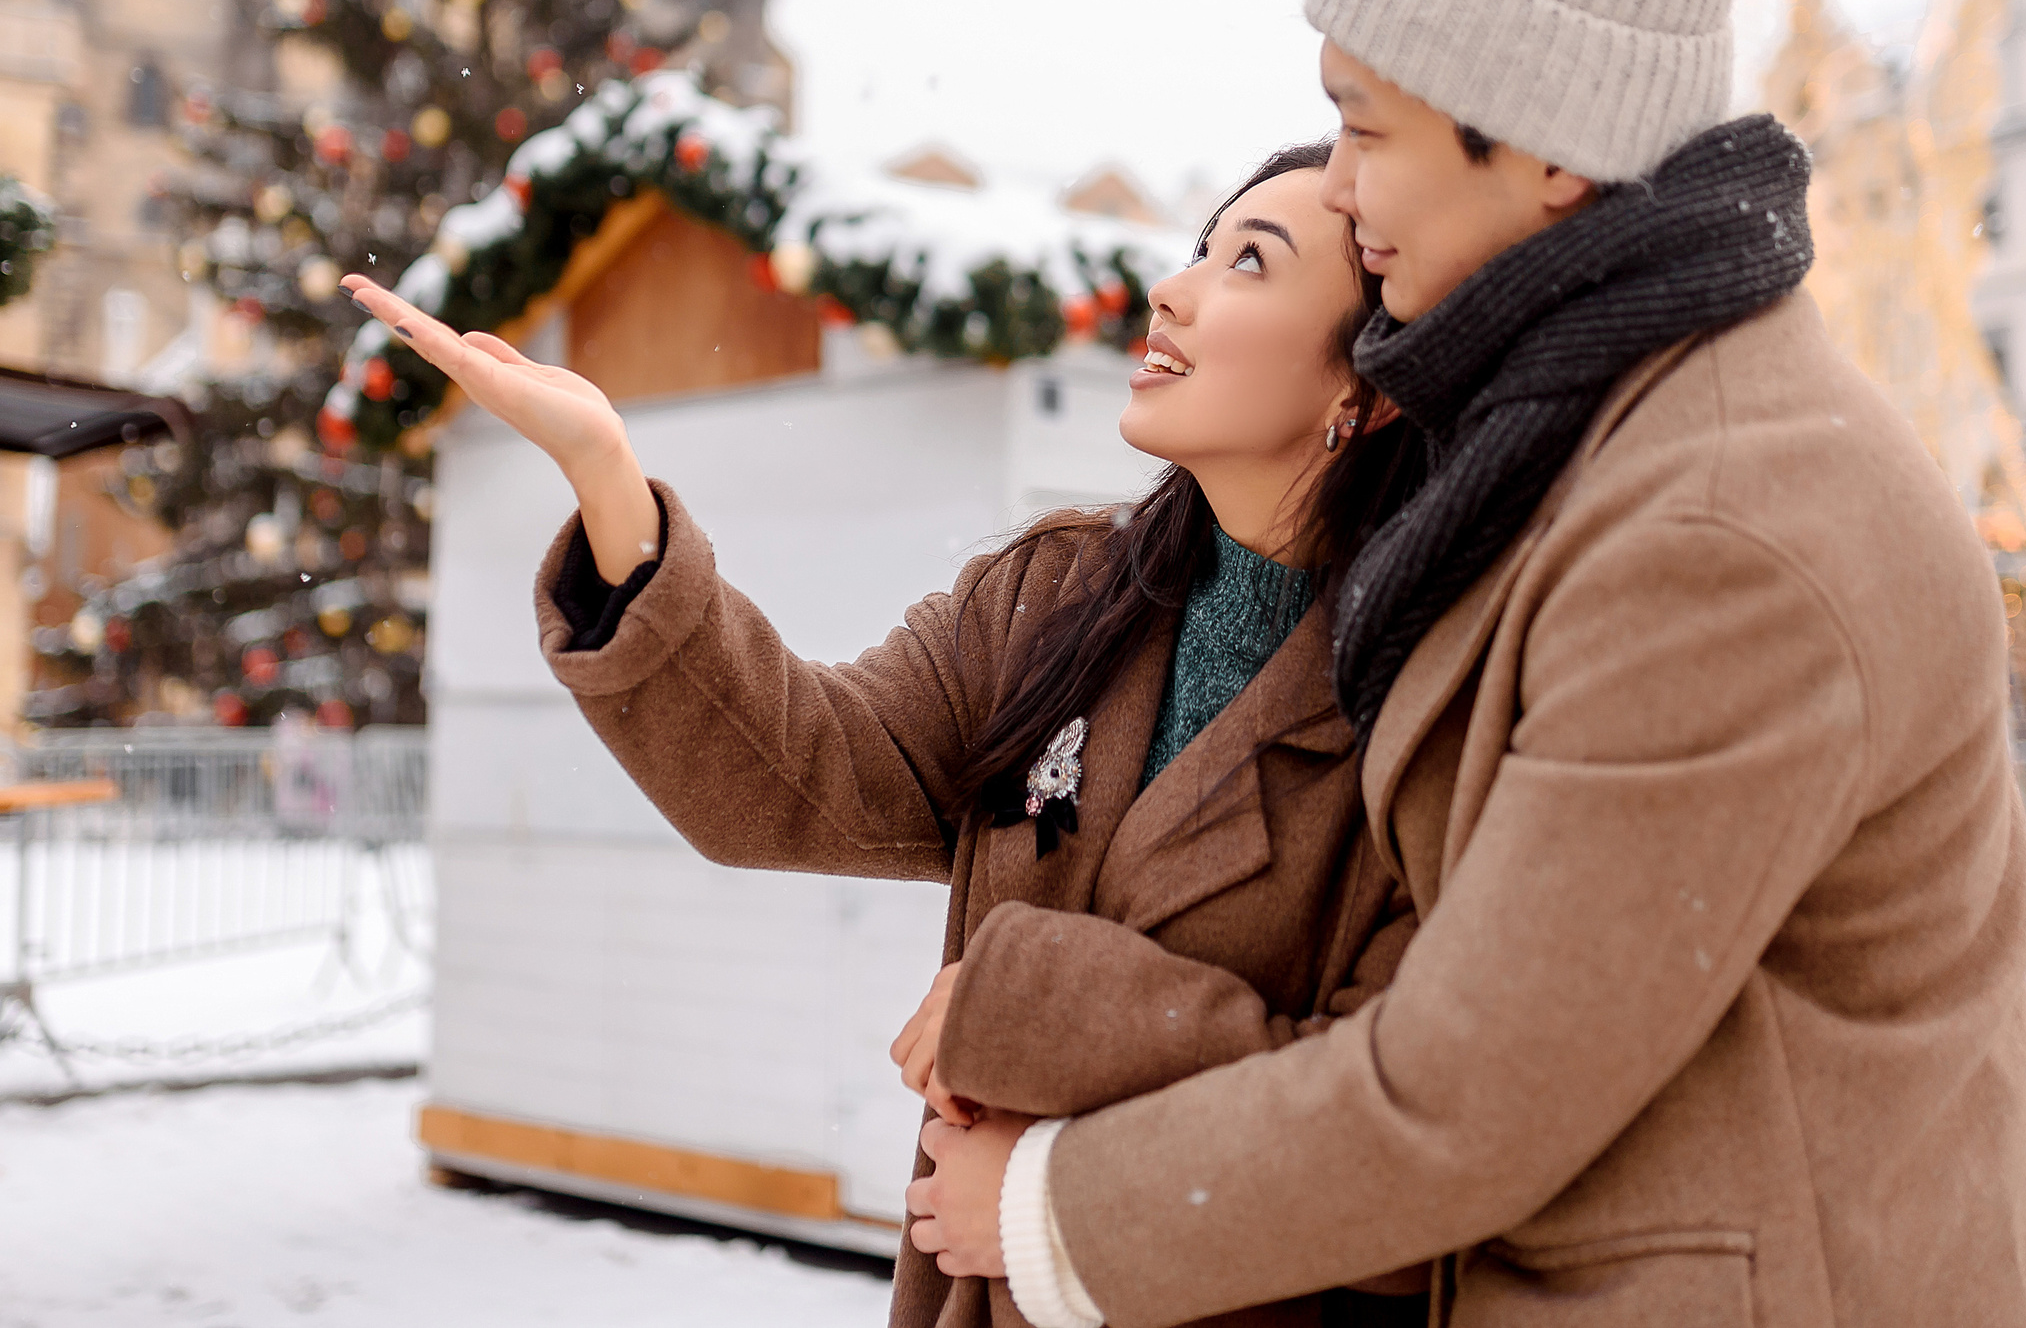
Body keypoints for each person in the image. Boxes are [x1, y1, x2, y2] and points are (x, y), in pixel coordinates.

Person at [900, 0, 2026, 1328]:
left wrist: (1047, 1211)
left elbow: (1468, 1089)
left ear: (1549, 151)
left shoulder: (1720, 522)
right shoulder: (1595, 438)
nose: (1343, 189)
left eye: (1368, 132)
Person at [342, 144, 1437, 1328]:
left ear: (1364, 390)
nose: (1173, 288)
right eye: (1197, 246)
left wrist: (1027, 1039)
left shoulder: (1425, 697)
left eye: (1250, 264)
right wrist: (608, 480)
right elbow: (797, 776)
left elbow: (1404, 1125)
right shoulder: (1049, 598)